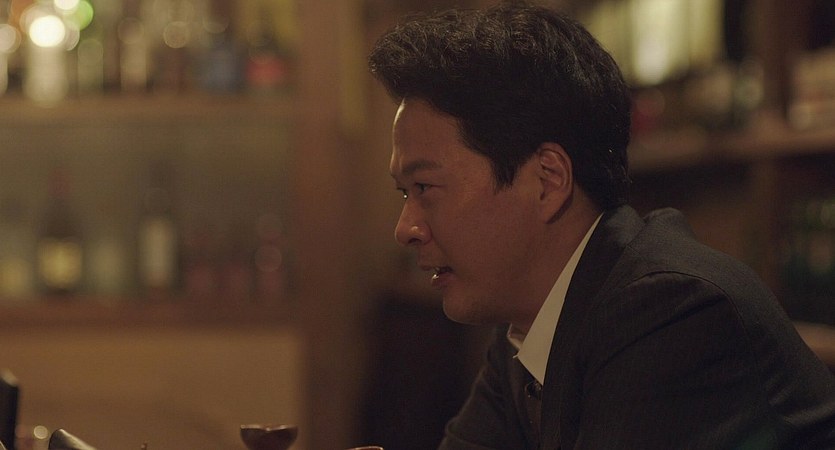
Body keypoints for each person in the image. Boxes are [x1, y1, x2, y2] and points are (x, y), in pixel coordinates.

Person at [368, 1, 835, 449]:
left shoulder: (673, 314)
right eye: (404, 193)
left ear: (547, 181)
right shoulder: (528, 327)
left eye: (425, 187)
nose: (405, 228)